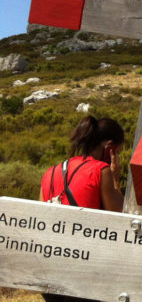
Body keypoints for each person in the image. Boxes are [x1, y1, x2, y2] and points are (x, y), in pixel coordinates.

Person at [39, 116, 125, 302]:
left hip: (48, 269)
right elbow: (118, 215)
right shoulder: (101, 171)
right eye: (118, 151)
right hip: (81, 269)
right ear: (109, 146)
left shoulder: (50, 171)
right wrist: (116, 178)